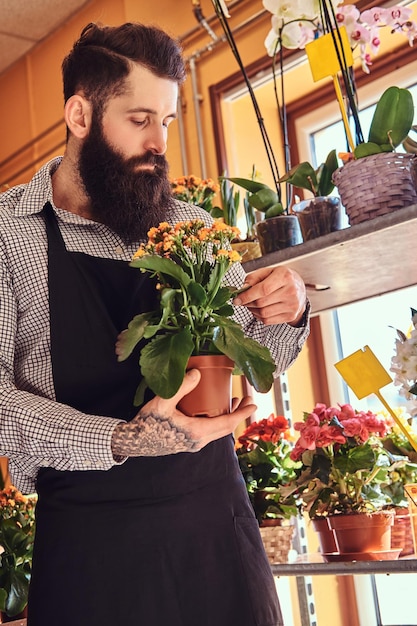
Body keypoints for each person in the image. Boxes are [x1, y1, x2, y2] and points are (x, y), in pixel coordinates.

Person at [0, 22, 309, 626]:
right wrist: (121, 441)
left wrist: (287, 306)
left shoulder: (190, 224)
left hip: (216, 530)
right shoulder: (9, 232)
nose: (159, 144)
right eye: (140, 120)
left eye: (166, 121)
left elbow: (255, 354)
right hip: (93, 551)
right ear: (80, 114)